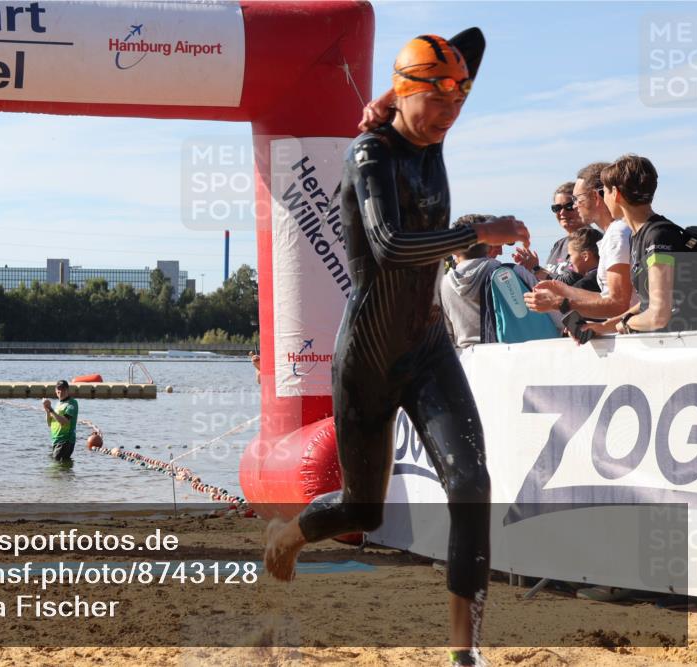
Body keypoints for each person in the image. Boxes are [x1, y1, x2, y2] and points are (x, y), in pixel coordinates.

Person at [264, 30, 529, 667]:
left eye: (459, 105)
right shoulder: (369, 154)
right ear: (410, 93)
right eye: (436, 104)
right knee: (365, 509)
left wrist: (401, 92)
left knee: (471, 483)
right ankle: (288, 535)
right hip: (369, 358)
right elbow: (387, 249)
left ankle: (465, 653)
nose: (448, 117)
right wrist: (475, 231)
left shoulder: (430, 125)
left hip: (428, 345)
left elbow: (471, 45)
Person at [584, 154, 697, 336]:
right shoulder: (640, 236)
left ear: (616, 194)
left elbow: (658, 315)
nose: (603, 199)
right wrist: (604, 327)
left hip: (690, 346)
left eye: (605, 192)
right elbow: (648, 302)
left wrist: (624, 325)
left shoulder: (658, 237)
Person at [524, 162, 636, 319]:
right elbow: (606, 298)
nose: (575, 206)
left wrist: (559, 303)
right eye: (556, 208)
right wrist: (563, 290)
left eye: (576, 200)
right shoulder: (613, 233)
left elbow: (619, 304)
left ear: (595, 196)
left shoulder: (617, 233)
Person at [440, 214, 538, 348]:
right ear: (490, 244)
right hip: (514, 356)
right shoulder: (514, 273)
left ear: (454, 250)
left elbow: (446, 337)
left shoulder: (443, 285)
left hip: (469, 361)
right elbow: (554, 317)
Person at [513, 182, 588, 281]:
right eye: (557, 208)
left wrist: (536, 268)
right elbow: (549, 281)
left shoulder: (590, 240)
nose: (562, 212)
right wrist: (529, 269)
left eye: (569, 206)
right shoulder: (559, 245)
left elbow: (571, 284)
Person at [555, 227, 603, 292]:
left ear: (585, 256)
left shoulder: (583, 287)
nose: (569, 261)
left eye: (570, 255)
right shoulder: (610, 278)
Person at [43, 380, 78, 462]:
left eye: (63, 389)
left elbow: (64, 422)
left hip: (66, 441)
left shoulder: (72, 403)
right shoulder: (58, 404)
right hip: (56, 440)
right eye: (58, 389)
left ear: (67, 390)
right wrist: (47, 410)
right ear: (55, 391)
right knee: (59, 468)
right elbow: (49, 423)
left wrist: (51, 409)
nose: (60, 391)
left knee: (55, 468)